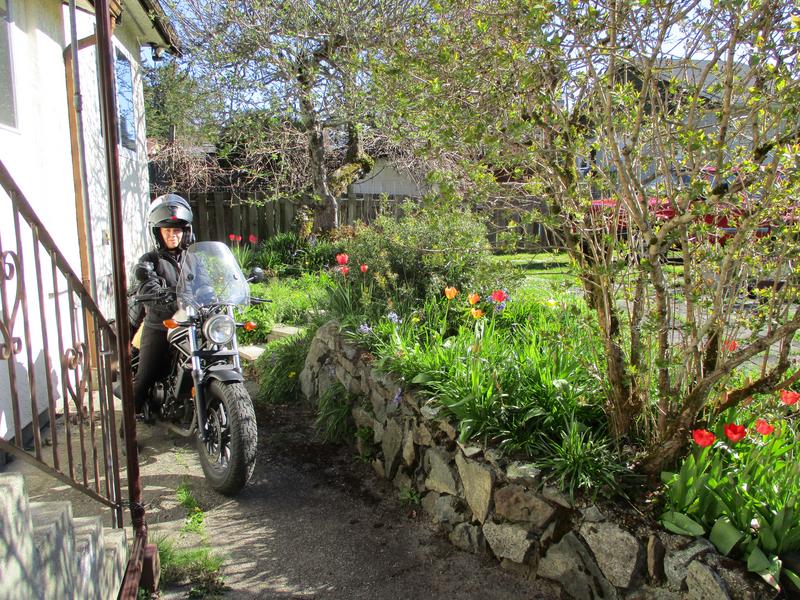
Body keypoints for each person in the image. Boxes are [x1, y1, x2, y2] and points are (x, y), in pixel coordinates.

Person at [131, 193, 195, 416]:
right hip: (161, 324)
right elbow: (146, 284)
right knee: (145, 377)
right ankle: (128, 424)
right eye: (167, 230)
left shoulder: (193, 258)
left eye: (177, 230)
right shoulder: (150, 260)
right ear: (158, 232)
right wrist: (158, 293)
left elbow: (206, 282)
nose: (172, 235)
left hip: (191, 321)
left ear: (185, 231)